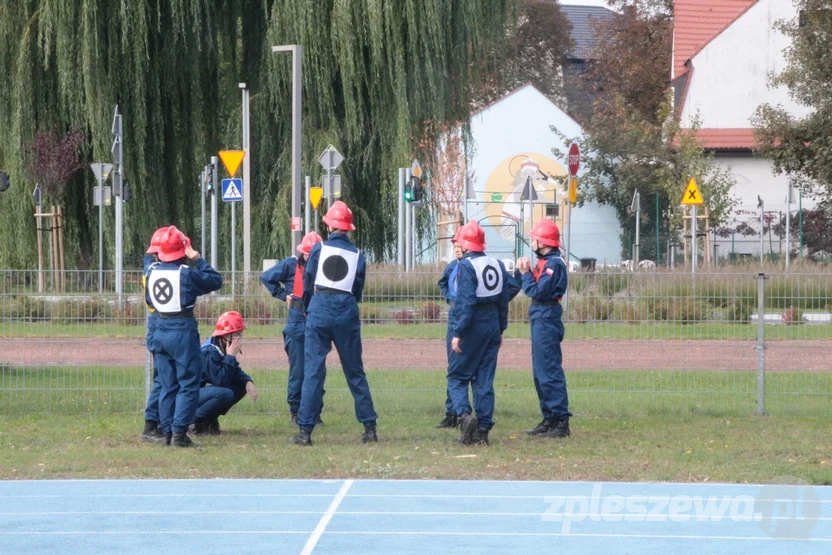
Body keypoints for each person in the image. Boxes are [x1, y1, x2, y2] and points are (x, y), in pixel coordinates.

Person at [291, 200, 378, 446]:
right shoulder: (358, 255)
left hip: (319, 309)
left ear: (329, 226)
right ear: (348, 228)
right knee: (354, 371)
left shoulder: (318, 250)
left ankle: (304, 432)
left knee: (313, 372)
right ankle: (369, 426)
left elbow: (308, 280)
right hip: (346, 310)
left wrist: (310, 306)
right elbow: (358, 287)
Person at [145, 226, 222, 447]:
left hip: (160, 327)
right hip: (182, 329)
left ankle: (167, 431)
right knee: (188, 383)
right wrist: (198, 259)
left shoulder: (151, 272)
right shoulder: (186, 274)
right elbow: (214, 280)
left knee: (167, 384)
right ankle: (180, 433)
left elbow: (150, 301)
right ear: (182, 251)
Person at [447, 220, 515, 445]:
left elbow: (465, 302)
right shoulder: (496, 263)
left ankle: (465, 417)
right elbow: (504, 299)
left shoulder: (467, 265)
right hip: (492, 322)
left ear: (465, 245)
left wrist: (458, 332)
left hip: (473, 323)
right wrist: (501, 328)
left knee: (457, 376)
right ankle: (483, 430)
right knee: (484, 380)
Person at [260, 231, 324, 425]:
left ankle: (314, 412)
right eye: (306, 253)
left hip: (316, 321)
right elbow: (266, 277)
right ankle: (295, 412)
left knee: (317, 369)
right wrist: (282, 295)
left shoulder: (324, 267)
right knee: (298, 371)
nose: (309, 257)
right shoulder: (290, 265)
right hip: (296, 322)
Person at [516, 219, 571, 438]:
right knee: (540, 372)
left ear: (544, 241)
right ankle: (549, 417)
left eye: (534, 238)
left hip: (547, 316)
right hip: (540, 316)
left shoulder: (554, 264)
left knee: (549, 370)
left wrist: (525, 274)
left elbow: (538, 291)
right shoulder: (547, 261)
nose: (532, 241)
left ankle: (560, 421)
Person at [192, 311, 258, 434]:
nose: (239, 338)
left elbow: (234, 371)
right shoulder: (209, 352)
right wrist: (230, 356)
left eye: (240, 334)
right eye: (237, 334)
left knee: (240, 385)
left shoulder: (221, 346)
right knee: (224, 393)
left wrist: (247, 381)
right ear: (226, 335)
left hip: (199, 393)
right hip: (189, 394)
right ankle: (194, 421)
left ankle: (209, 419)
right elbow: (220, 381)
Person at [140, 227, 169, 443]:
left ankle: (160, 423)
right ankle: (152, 425)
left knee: (164, 377)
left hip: (158, 324)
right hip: (160, 322)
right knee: (162, 378)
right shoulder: (156, 269)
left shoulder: (151, 266)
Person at [435, 228, 463, 429]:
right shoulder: (453, 266)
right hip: (454, 315)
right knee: (453, 365)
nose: (457, 249)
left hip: (470, 316)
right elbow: (442, 283)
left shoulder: (475, 266)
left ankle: (466, 411)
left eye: (460, 245)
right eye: (454, 245)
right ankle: (452, 412)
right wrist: (449, 297)